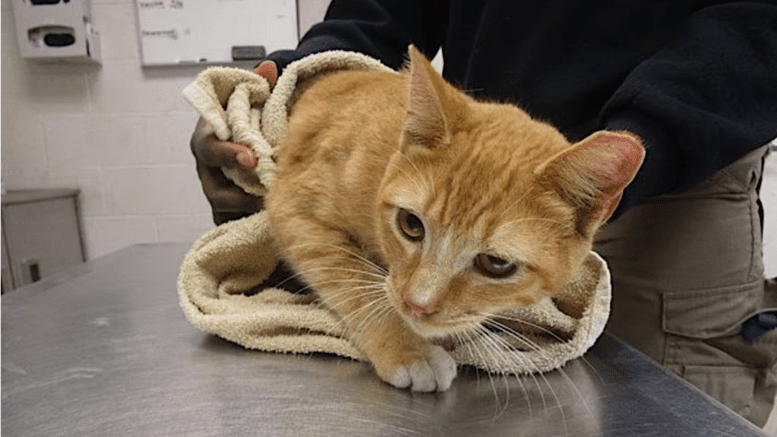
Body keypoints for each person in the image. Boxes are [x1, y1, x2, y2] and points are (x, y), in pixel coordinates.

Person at [190, 0, 777, 426]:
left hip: (681, 157)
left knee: (652, 413)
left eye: (492, 264)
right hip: (465, 139)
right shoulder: (410, 170)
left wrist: (652, 133)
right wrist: (301, 72)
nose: (419, 299)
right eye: (410, 229)